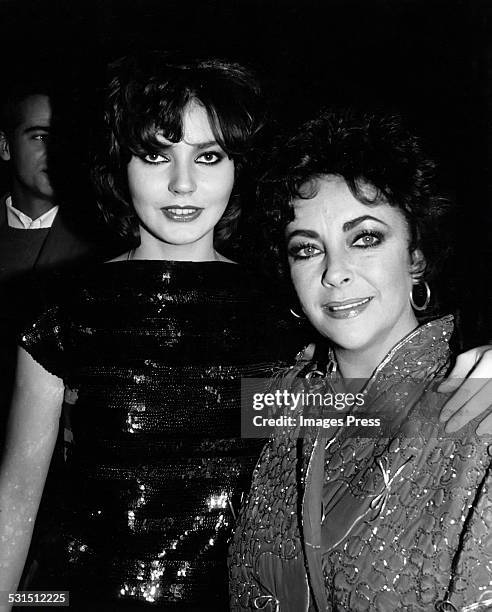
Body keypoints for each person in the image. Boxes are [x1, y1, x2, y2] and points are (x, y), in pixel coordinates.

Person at [0, 54, 301, 610]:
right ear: (121, 164)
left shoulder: (281, 316)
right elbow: (17, 496)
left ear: (238, 167)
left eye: (208, 157)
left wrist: (467, 387)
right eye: (156, 154)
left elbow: (369, 428)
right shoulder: (66, 309)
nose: (183, 184)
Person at [229, 110, 492, 612]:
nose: (335, 273)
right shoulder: (279, 402)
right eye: (307, 250)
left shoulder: (477, 405)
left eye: (365, 238)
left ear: (416, 255)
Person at [0, 77, 100, 437]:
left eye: (64, 139)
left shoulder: (102, 243)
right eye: (40, 136)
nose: (55, 151)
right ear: (6, 146)